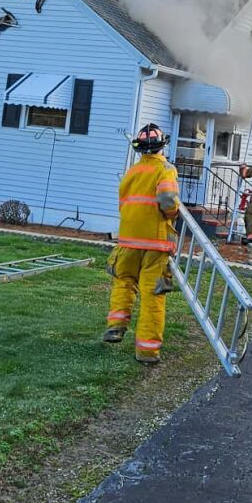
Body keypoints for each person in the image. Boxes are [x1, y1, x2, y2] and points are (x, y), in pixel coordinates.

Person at [104, 123, 180, 365]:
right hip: (154, 244)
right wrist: (173, 213)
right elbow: (167, 199)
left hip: (127, 241)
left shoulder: (132, 172)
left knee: (123, 283)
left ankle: (116, 325)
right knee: (152, 294)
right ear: (162, 145)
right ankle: (147, 351)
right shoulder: (166, 169)